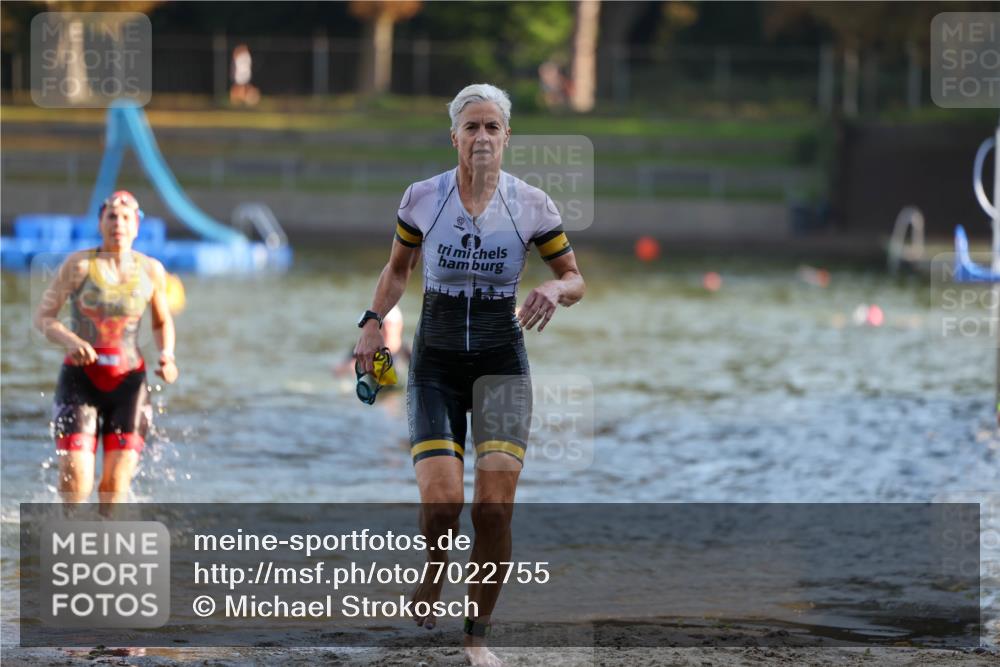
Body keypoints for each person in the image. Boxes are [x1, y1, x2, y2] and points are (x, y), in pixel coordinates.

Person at [353, 84, 585, 667]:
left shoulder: (532, 205)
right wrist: (372, 322)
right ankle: (436, 564)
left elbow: (575, 277)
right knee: (442, 505)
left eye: (492, 127)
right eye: (472, 127)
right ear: (453, 135)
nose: (482, 137)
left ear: (507, 137)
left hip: (501, 363)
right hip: (434, 365)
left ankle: (476, 637)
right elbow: (397, 268)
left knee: (493, 509)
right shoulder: (422, 198)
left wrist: (555, 287)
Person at [33, 190, 179, 508]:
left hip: (129, 385)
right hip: (79, 381)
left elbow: (161, 322)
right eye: (111, 216)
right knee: (76, 483)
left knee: (113, 489)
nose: (118, 223)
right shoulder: (80, 265)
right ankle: (67, 542)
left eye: (126, 217)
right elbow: (43, 318)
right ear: (100, 223)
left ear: (137, 226)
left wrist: (167, 355)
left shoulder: (151, 270)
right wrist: (72, 341)